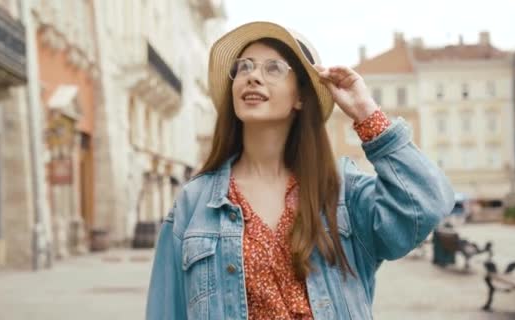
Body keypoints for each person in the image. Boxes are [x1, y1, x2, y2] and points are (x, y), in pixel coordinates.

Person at [146, 21, 455, 320]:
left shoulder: (342, 194)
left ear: (300, 97)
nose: (253, 76)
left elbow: (427, 203)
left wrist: (366, 113)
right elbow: (165, 311)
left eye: (273, 68)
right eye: (244, 66)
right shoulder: (194, 203)